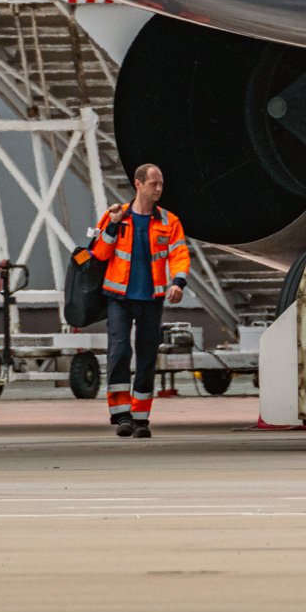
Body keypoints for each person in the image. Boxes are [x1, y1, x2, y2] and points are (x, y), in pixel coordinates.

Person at [88, 164, 189, 437]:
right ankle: (121, 415)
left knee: (146, 358)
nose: (159, 189)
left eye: (161, 184)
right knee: (119, 352)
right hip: (119, 297)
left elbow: (179, 255)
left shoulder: (169, 221)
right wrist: (112, 224)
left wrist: (178, 282)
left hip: (151, 299)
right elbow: (99, 253)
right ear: (138, 184)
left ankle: (141, 418)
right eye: (154, 183)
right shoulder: (116, 216)